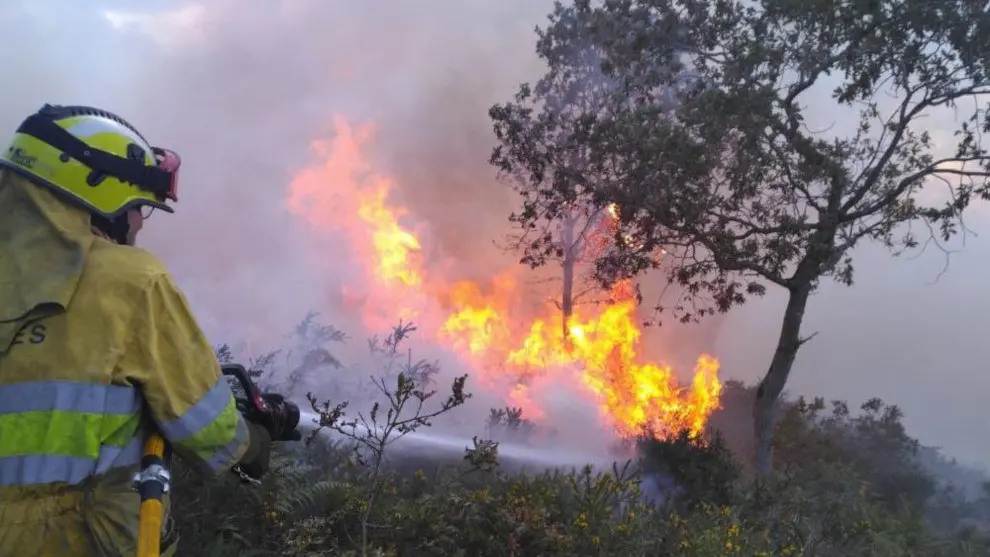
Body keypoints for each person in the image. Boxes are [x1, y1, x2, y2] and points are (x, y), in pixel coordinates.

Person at [0, 104, 278, 556]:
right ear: (97, 196)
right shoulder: (129, 281)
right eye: (137, 208)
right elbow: (206, 428)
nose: (137, 224)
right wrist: (256, 442)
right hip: (75, 539)